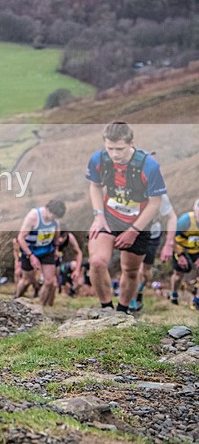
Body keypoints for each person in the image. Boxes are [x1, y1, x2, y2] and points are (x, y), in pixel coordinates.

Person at [86, 121, 167, 314]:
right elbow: (95, 186)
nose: (115, 154)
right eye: (110, 148)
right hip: (109, 217)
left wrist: (133, 231)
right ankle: (106, 309)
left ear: (131, 143)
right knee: (97, 262)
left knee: (130, 271)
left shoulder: (149, 165)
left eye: (120, 149)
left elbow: (155, 203)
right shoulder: (99, 160)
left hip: (139, 223)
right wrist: (98, 216)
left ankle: (122, 312)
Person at [14, 199, 66, 305]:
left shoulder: (55, 220)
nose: (53, 219)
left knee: (49, 281)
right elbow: (21, 238)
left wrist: (56, 249)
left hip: (47, 250)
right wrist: (31, 256)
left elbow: (56, 235)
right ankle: (15, 299)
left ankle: (40, 307)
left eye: (56, 217)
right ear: (47, 209)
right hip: (30, 250)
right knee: (26, 280)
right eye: (52, 216)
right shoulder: (33, 216)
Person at [132, 193, 176, 311]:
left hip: (153, 235)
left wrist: (169, 244)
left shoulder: (160, 194)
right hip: (133, 233)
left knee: (145, 271)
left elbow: (172, 217)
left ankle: (139, 290)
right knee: (133, 268)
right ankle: (130, 300)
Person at [170, 198, 199, 309]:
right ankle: (174, 294)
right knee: (178, 275)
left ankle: (196, 301)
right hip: (181, 248)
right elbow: (171, 239)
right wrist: (180, 256)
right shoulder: (185, 220)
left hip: (196, 250)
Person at [54, 226, 83, 297]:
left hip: (63, 263)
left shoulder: (70, 238)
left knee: (75, 265)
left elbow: (79, 253)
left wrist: (77, 270)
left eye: (63, 236)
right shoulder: (50, 236)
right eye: (59, 236)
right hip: (48, 261)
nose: (60, 240)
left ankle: (73, 290)